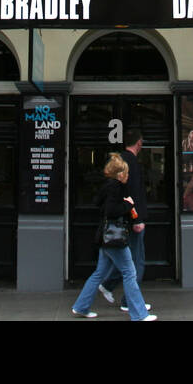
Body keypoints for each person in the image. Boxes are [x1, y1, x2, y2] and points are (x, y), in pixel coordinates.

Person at [71, 153, 156, 321]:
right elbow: (112, 210)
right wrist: (128, 204)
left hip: (105, 235)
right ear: (120, 174)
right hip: (114, 237)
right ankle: (139, 314)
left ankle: (81, 306)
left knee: (99, 273)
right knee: (129, 272)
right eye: (126, 173)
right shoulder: (116, 188)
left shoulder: (107, 186)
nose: (128, 175)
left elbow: (98, 203)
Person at [98, 129, 148, 312]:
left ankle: (110, 286)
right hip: (132, 219)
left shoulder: (121, 161)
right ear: (139, 143)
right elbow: (134, 194)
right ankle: (129, 301)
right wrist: (137, 218)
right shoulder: (132, 163)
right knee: (136, 261)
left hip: (121, 219)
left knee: (125, 260)